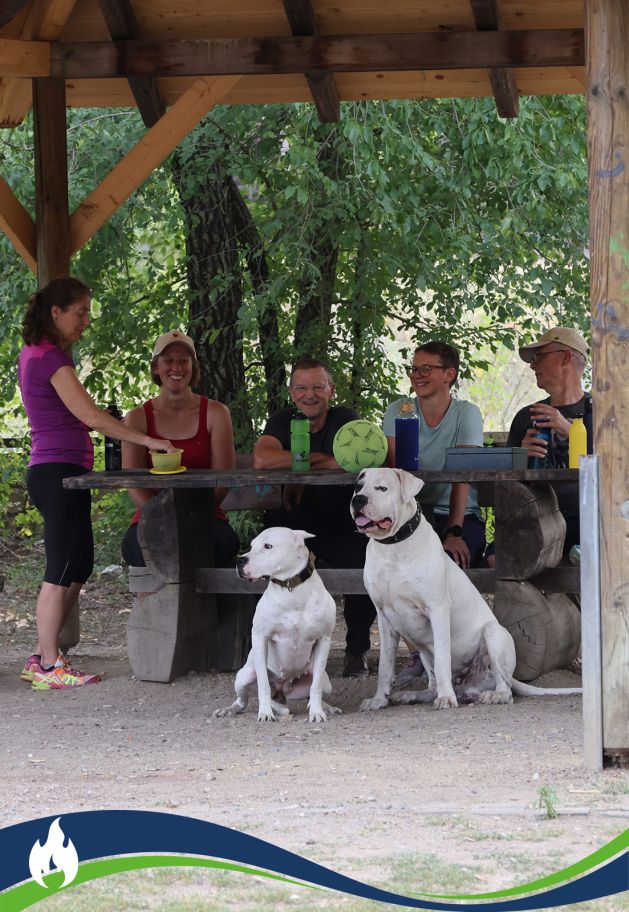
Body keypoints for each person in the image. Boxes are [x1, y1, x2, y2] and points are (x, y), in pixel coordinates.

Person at [17, 277, 176, 690]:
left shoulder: (42, 354)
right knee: (60, 567)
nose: (86, 320)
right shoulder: (50, 358)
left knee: (80, 563)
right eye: (80, 312)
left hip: (69, 474)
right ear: (56, 312)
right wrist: (148, 440)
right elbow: (91, 417)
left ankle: (44, 653)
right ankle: (49, 665)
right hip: (57, 474)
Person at [253, 357, 377, 678]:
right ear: (292, 392)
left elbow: (356, 460)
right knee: (269, 566)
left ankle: (356, 651)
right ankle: (282, 657)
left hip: (341, 527)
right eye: (302, 387)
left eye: (318, 387)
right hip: (290, 532)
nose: (310, 395)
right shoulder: (282, 420)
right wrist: (322, 462)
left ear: (331, 390)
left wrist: (296, 470)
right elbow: (263, 459)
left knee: (367, 561)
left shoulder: (346, 421)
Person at [382, 341, 486, 681]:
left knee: (455, 559)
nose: (417, 375)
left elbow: (463, 474)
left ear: (449, 374)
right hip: (410, 515)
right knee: (390, 569)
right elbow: (397, 473)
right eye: (414, 369)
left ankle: (462, 654)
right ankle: (416, 653)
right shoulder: (398, 410)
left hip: (456, 514)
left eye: (426, 368)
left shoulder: (465, 413)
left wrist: (453, 531)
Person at [121, 330, 240, 568]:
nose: (177, 368)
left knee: (219, 544)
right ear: (156, 368)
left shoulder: (216, 413)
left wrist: (192, 517)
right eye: (169, 361)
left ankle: (209, 606)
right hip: (150, 520)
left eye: (184, 361)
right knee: (144, 549)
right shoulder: (137, 417)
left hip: (206, 518)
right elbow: (133, 481)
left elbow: (224, 479)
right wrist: (162, 517)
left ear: (193, 367)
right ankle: (150, 605)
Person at [507, 326, 590, 558]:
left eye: (539, 357)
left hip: (590, 519)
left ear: (565, 357)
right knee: (497, 556)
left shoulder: (602, 413)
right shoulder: (527, 416)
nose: (532, 365)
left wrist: (570, 430)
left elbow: (616, 469)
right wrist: (519, 457)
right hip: (536, 517)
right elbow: (506, 483)